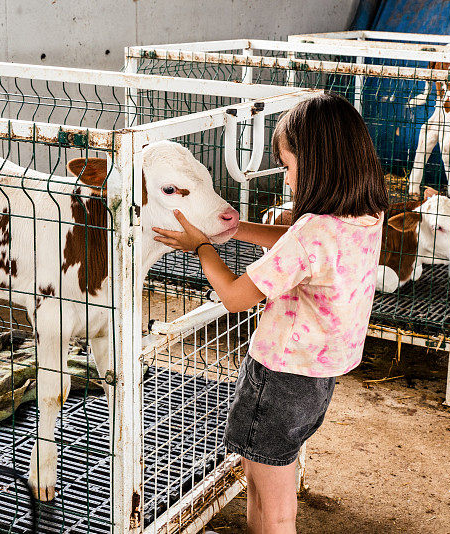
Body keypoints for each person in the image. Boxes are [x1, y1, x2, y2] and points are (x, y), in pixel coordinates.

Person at [153, 92, 389, 534]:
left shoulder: (310, 233)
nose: (285, 178)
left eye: (287, 166)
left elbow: (236, 297)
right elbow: (295, 243)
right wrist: (235, 228)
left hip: (276, 384)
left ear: (316, 164)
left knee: (275, 509)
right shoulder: (364, 215)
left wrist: (201, 247)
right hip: (316, 382)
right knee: (265, 491)